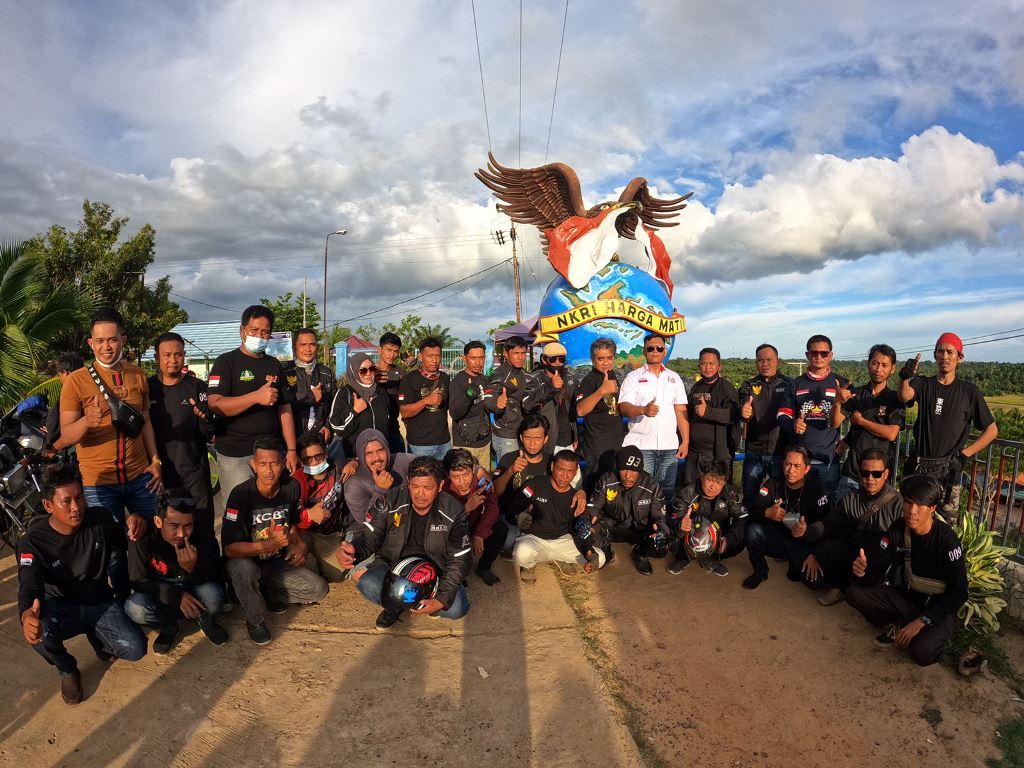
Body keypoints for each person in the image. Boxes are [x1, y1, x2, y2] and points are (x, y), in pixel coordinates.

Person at [17, 464, 146, 705]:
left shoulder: (101, 520)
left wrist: (135, 522)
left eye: (80, 498)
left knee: (135, 649)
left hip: (99, 601)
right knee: (40, 635)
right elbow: (29, 585)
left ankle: (96, 635)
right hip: (61, 608)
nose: (76, 507)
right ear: (48, 506)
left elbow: (124, 541)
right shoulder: (33, 542)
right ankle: (67, 670)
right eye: (66, 501)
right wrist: (26, 615)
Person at [846, 474, 968, 666]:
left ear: (933, 508)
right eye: (908, 503)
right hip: (907, 599)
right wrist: (862, 572)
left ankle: (927, 635)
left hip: (937, 607)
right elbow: (877, 571)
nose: (912, 511)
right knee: (854, 593)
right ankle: (901, 622)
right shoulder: (898, 528)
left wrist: (923, 621)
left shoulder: (947, 540)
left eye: (921, 505)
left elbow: (960, 592)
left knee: (922, 653)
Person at [337, 456, 472, 629]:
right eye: (415, 486)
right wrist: (353, 550)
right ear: (408, 482)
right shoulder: (390, 501)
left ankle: (410, 601)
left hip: (436, 573)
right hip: (394, 568)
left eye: (427, 487)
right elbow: (371, 536)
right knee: (367, 583)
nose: (420, 494)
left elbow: (459, 560)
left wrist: (440, 600)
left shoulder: (455, 512)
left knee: (457, 609)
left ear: (440, 486)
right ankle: (395, 605)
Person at [59, 307, 161, 532]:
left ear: (122, 340)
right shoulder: (76, 382)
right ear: (90, 343)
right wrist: (86, 421)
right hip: (98, 484)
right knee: (110, 551)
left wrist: (156, 461)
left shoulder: (138, 375)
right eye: (100, 340)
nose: (106, 347)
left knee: (155, 538)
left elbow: (146, 421)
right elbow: (66, 436)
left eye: (112, 340)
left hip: (141, 477)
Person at [221, 437, 328, 645]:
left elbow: (294, 523)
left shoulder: (292, 487)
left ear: (283, 463)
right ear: (253, 464)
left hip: (276, 562)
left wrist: (301, 545)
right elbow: (230, 550)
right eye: (263, 464)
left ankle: (261, 592)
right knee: (242, 569)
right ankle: (255, 620)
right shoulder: (240, 494)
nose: (269, 470)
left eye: (274, 463)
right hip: (247, 561)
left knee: (318, 589)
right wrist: (266, 545)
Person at [898, 332, 998, 520]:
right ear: (935, 355)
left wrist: (964, 454)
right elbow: (905, 396)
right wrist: (904, 377)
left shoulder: (969, 392)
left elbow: (992, 430)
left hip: (948, 470)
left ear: (960, 358)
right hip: (919, 466)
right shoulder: (923, 383)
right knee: (911, 521)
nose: (945, 356)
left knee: (944, 526)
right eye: (940, 351)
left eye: (950, 352)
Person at [207, 305, 300, 502]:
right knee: (238, 511)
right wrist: (255, 397)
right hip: (236, 454)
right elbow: (215, 404)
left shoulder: (274, 364)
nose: (259, 336)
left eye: (265, 332)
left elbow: (284, 408)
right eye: (254, 330)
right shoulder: (226, 362)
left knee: (271, 510)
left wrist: (291, 450)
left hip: (271, 453)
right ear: (242, 331)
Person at [796, 449, 903, 606]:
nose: (870, 478)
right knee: (826, 547)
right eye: (865, 473)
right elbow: (827, 525)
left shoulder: (898, 504)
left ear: (886, 474)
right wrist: (805, 530)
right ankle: (841, 586)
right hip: (854, 557)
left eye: (876, 474)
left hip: (883, 560)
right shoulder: (849, 501)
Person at [125, 491, 227, 651]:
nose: (181, 534)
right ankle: (168, 627)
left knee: (214, 595)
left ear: (193, 520)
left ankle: (206, 620)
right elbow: (137, 580)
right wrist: (176, 596)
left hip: (194, 585)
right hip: (160, 590)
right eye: (173, 525)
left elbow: (215, 573)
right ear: (158, 521)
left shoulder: (202, 530)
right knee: (134, 607)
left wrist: (191, 569)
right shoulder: (142, 536)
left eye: (188, 525)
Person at [148, 332, 217, 544]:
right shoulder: (146, 388)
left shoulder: (197, 388)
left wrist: (204, 418)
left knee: (202, 530)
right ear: (157, 357)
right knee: (164, 535)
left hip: (194, 474)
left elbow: (211, 434)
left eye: (178, 354)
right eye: (167, 355)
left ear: (184, 356)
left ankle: (209, 575)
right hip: (160, 476)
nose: (172, 360)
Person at [742, 446, 831, 590]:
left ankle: (795, 563)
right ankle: (760, 571)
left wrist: (813, 552)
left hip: (803, 543)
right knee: (753, 530)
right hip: (778, 539)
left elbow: (826, 523)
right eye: (787, 464)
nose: (791, 471)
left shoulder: (816, 489)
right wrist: (767, 512)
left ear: (807, 469)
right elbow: (752, 510)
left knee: (816, 583)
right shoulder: (772, 484)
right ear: (782, 464)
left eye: (797, 466)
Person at [777, 334, 850, 500]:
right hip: (800, 462)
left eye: (824, 353)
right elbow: (782, 414)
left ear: (831, 355)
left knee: (826, 506)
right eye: (814, 353)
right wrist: (792, 424)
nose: (818, 357)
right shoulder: (795, 384)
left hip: (828, 460)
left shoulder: (841, 383)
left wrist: (849, 439)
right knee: (798, 504)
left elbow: (848, 419)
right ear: (807, 355)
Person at [506, 450, 597, 582]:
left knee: (599, 557)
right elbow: (512, 510)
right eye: (560, 469)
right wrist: (519, 516)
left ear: (576, 472)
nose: (564, 476)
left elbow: (578, 530)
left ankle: (561, 559)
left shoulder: (576, 497)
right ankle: (529, 566)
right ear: (552, 466)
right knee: (522, 552)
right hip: (534, 539)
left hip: (562, 541)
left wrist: (589, 550)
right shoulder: (535, 485)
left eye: (570, 471)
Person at [618, 333, 689, 499]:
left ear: (665, 351)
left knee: (667, 491)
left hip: (669, 446)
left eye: (659, 348)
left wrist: (685, 441)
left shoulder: (674, 378)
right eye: (651, 348)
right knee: (641, 491)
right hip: (641, 446)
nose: (655, 351)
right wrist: (643, 410)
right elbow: (624, 407)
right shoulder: (633, 377)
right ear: (644, 351)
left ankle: (664, 525)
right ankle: (643, 526)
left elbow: (681, 410)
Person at [481, 413, 554, 576]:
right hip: (510, 520)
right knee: (505, 540)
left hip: (540, 521)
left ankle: (527, 552)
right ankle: (517, 550)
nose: (532, 443)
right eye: (528, 438)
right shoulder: (509, 458)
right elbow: (495, 491)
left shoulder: (551, 462)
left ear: (546, 438)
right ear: (521, 437)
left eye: (538, 438)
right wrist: (511, 470)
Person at [831, 344, 905, 501]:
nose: (878, 369)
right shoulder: (856, 394)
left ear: (892, 369)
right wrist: (837, 402)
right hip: (853, 473)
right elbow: (835, 423)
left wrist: (862, 421)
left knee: (874, 523)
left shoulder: (895, 398)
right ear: (868, 364)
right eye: (875, 363)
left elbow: (891, 434)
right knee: (842, 520)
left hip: (879, 476)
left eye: (885, 365)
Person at [586, 446, 669, 575]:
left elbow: (660, 518)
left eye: (633, 471)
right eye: (624, 470)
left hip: (641, 532)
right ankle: (607, 553)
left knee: (662, 544)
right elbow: (593, 507)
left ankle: (640, 554)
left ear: (640, 470)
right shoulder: (607, 480)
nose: (628, 476)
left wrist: (661, 532)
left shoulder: (652, 485)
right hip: (612, 529)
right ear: (617, 468)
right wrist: (587, 520)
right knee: (585, 530)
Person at [668, 460, 747, 576]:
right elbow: (670, 519)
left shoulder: (729, 493)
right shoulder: (686, 493)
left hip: (717, 534)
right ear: (701, 476)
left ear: (724, 482)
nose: (712, 486)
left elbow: (741, 517)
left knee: (742, 537)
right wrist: (680, 524)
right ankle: (683, 558)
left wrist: (729, 539)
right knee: (671, 535)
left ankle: (713, 559)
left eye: (718, 482)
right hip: (689, 536)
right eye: (710, 480)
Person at [738, 343, 790, 507]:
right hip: (754, 451)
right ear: (756, 363)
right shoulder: (749, 385)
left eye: (769, 359)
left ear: (778, 361)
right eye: (760, 360)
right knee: (750, 496)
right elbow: (745, 407)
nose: (765, 364)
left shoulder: (789, 385)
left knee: (780, 498)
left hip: (781, 452)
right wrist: (745, 410)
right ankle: (747, 530)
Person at [292, 432, 348, 581]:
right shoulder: (296, 481)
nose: (315, 462)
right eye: (307, 459)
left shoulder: (339, 467)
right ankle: (309, 561)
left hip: (329, 535)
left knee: (339, 574)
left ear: (326, 452)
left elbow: (357, 460)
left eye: (319, 456)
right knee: (309, 571)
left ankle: (316, 563)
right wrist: (310, 515)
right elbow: (290, 517)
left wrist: (354, 463)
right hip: (304, 533)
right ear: (299, 460)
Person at [443, 448, 501, 585]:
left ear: (473, 471)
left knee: (500, 529)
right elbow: (443, 521)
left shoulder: (483, 484)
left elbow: (492, 510)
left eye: (466, 474)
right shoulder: (443, 488)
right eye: (456, 477)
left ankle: (483, 568)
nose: (463, 481)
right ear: (447, 475)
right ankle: (455, 572)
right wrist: (466, 509)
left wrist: (479, 534)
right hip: (454, 529)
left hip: (474, 526)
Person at [574, 338, 626, 487]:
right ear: (593, 359)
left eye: (609, 358)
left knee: (614, 489)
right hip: (597, 449)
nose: (606, 363)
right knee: (597, 488)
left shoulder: (613, 376)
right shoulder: (589, 381)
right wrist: (601, 391)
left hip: (615, 446)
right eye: (600, 359)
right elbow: (580, 410)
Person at [684, 347, 739, 485]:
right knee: (691, 491)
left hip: (716, 454)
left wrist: (708, 412)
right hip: (694, 453)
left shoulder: (726, 388)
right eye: (703, 363)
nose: (707, 367)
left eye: (711, 363)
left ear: (719, 366)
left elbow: (734, 415)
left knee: (716, 493)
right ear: (699, 365)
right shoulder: (696, 387)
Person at [342, 428, 415, 532]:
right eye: (369, 453)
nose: (376, 458)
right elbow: (367, 523)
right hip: (370, 533)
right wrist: (380, 490)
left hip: (405, 524)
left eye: (380, 450)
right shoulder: (353, 485)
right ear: (361, 457)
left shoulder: (400, 460)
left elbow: (430, 465)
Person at [328, 352, 394, 459]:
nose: (368, 373)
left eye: (371, 369)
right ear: (354, 372)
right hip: (355, 458)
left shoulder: (381, 393)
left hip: (381, 458)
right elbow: (336, 426)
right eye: (363, 370)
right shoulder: (345, 393)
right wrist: (355, 411)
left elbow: (389, 426)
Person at [398, 337, 452, 460]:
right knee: (422, 478)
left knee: (444, 477)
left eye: (438, 356)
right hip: (419, 445)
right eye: (430, 356)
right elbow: (404, 412)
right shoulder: (409, 379)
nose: (434, 360)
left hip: (444, 442)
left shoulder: (444, 378)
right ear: (421, 357)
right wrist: (426, 401)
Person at [522, 341, 577, 453]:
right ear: (544, 359)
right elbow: (526, 404)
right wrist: (549, 386)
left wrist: (576, 435)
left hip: (568, 441)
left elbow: (575, 407)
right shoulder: (535, 379)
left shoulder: (570, 378)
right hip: (546, 442)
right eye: (553, 359)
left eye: (561, 359)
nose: (557, 362)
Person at [485, 336, 532, 462]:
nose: (520, 357)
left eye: (523, 353)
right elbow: (488, 398)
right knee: (506, 475)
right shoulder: (498, 374)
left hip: (523, 432)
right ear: (506, 354)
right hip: (506, 435)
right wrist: (496, 403)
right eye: (516, 353)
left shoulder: (526, 375)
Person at [286, 328, 337, 443]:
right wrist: (310, 397)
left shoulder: (327, 373)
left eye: (312, 344)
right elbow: (283, 407)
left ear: (317, 348)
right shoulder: (285, 372)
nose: (308, 349)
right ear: (294, 347)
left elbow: (335, 405)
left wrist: (328, 426)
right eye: (303, 345)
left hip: (320, 439)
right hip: (294, 440)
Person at [449, 340, 493, 471]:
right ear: (464, 358)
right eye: (474, 358)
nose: (478, 362)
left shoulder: (484, 379)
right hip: (465, 444)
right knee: (466, 482)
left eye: (481, 358)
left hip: (484, 441)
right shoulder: (458, 381)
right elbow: (455, 413)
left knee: (484, 481)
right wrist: (467, 396)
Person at [45, 352, 84, 453]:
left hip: (74, 446)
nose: (60, 378)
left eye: (60, 375)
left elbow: (54, 425)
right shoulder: (90, 387)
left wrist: (51, 446)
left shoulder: (69, 393)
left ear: (67, 373)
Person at [375, 332, 407, 453]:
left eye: (395, 351)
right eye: (388, 350)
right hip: (373, 429)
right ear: (380, 349)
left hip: (393, 428)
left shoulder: (401, 373)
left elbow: (406, 399)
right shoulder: (369, 372)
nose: (392, 355)